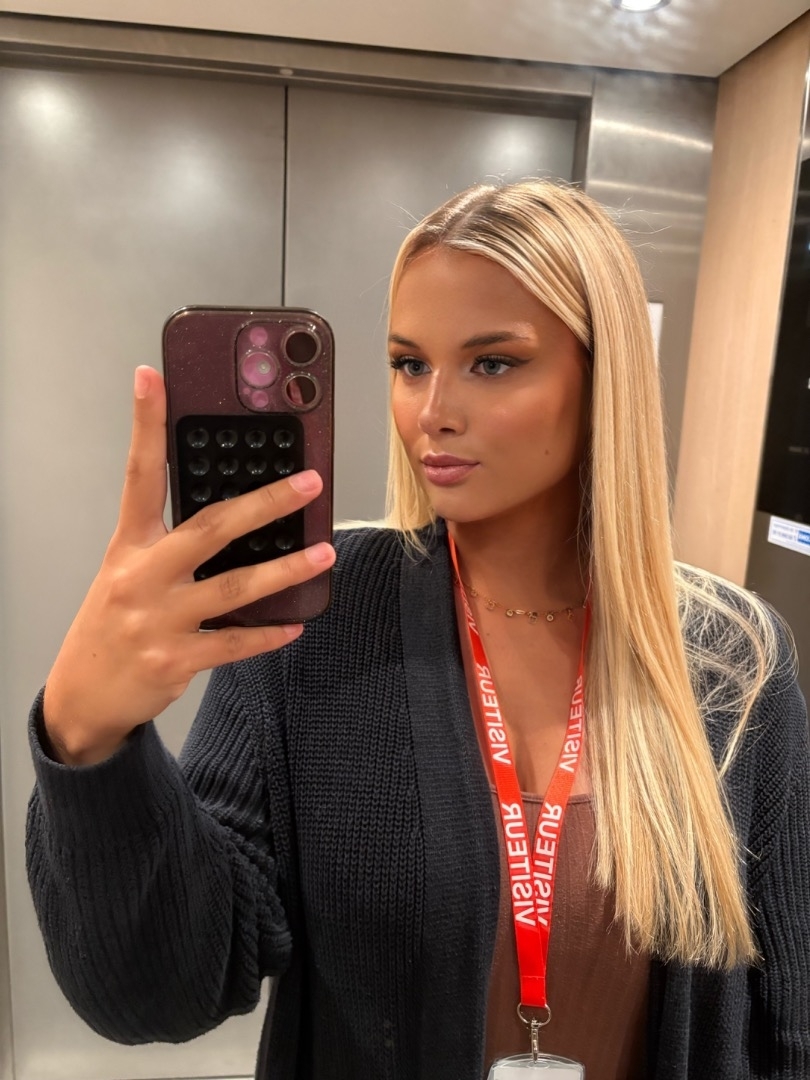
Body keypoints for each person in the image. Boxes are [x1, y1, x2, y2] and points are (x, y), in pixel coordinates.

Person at [26, 180, 809, 1080]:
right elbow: (166, 989)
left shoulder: (733, 657)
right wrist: (88, 736)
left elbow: (789, 1022)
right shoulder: (315, 622)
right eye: (408, 364)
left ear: (604, 379)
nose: (432, 410)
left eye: (493, 363)